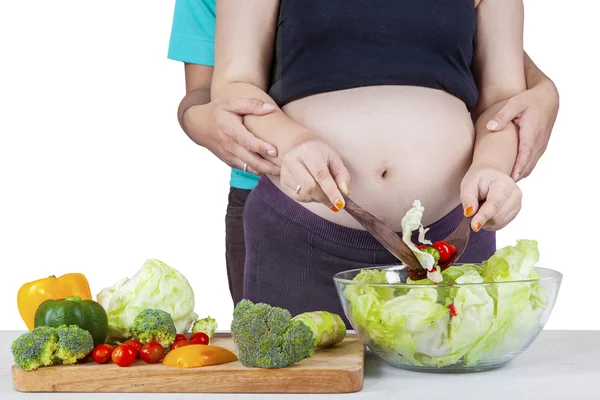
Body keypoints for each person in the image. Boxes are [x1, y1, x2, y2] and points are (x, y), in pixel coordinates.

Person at [167, 0, 558, 309]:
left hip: (452, 237)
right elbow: (233, 83)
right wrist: (292, 141)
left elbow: (503, 98)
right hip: (305, 234)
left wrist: (493, 167)